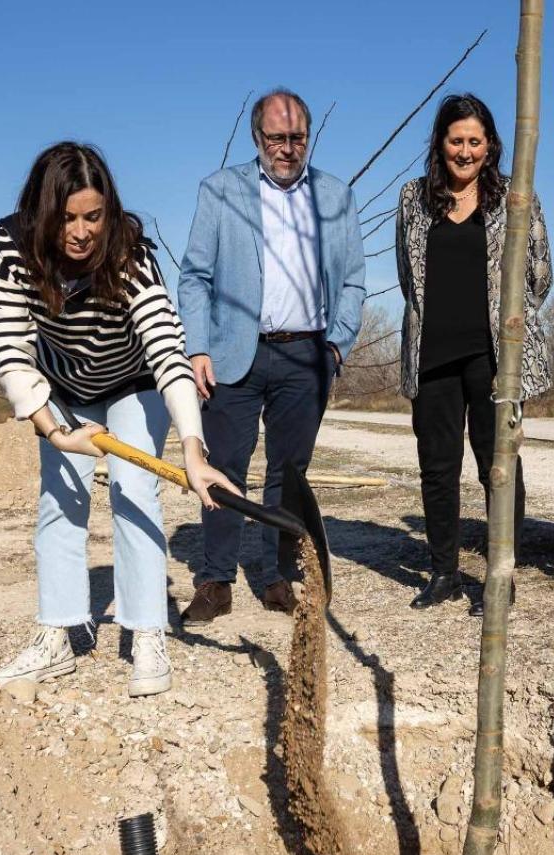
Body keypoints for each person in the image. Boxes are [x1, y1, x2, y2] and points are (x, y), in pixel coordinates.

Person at [0, 141, 234, 696]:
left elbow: (167, 350)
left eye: (92, 216)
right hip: (61, 390)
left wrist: (193, 449)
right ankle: (59, 634)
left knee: (133, 490)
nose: (80, 232)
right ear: (42, 214)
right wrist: (56, 432)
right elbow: (10, 347)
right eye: (66, 218)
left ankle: (145, 631)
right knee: (61, 498)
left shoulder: (129, 252)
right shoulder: (10, 247)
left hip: (132, 383)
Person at [177, 88, 367, 624]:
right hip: (233, 355)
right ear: (258, 138)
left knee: (289, 471)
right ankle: (215, 580)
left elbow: (354, 279)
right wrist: (195, 348)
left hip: (306, 355)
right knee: (223, 468)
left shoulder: (335, 196)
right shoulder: (220, 191)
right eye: (277, 138)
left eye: (297, 137)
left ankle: (274, 575)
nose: (288, 148)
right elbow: (194, 276)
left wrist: (335, 346)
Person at [395, 93, 552, 616]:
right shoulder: (413, 197)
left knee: (498, 466)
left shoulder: (516, 196)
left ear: (491, 145)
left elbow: (540, 274)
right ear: (440, 144)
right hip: (432, 353)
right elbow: (407, 277)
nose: (465, 152)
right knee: (437, 467)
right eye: (455, 140)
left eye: (475, 142)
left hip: (495, 356)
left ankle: (500, 576)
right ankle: (443, 572)